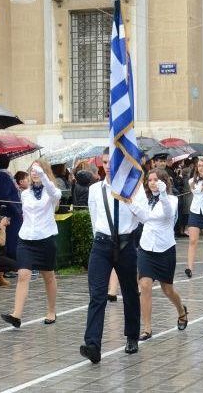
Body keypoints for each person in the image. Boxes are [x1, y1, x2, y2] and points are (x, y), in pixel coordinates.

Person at [80, 148, 146, 363]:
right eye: (105, 162)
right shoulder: (95, 189)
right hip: (101, 245)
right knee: (97, 295)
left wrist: (128, 199)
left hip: (126, 244)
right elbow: (93, 218)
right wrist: (100, 239)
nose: (108, 166)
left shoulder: (134, 187)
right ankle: (93, 345)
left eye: (112, 162)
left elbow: (145, 217)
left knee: (129, 292)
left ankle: (132, 336)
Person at [127, 169, 188, 341]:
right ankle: (147, 328)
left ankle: (181, 310)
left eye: (156, 180)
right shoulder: (145, 200)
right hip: (146, 247)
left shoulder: (172, 199)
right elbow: (143, 217)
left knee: (167, 289)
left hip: (165, 249)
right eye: (150, 180)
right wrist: (130, 202)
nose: (152, 182)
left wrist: (162, 193)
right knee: (144, 285)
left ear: (163, 181)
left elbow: (167, 213)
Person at [1, 160, 62, 328]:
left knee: (48, 276)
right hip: (26, 238)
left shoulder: (50, 191)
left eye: (38, 170)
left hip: (45, 238)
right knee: (23, 275)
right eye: (32, 170)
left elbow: (56, 194)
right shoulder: (25, 193)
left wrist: (43, 176)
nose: (34, 173)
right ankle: (17, 315)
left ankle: (51, 310)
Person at [0, 154, 23, 262]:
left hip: (5, 211)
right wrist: (17, 210)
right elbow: (5, 196)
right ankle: (13, 262)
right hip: (11, 212)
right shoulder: (3, 176)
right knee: (12, 238)